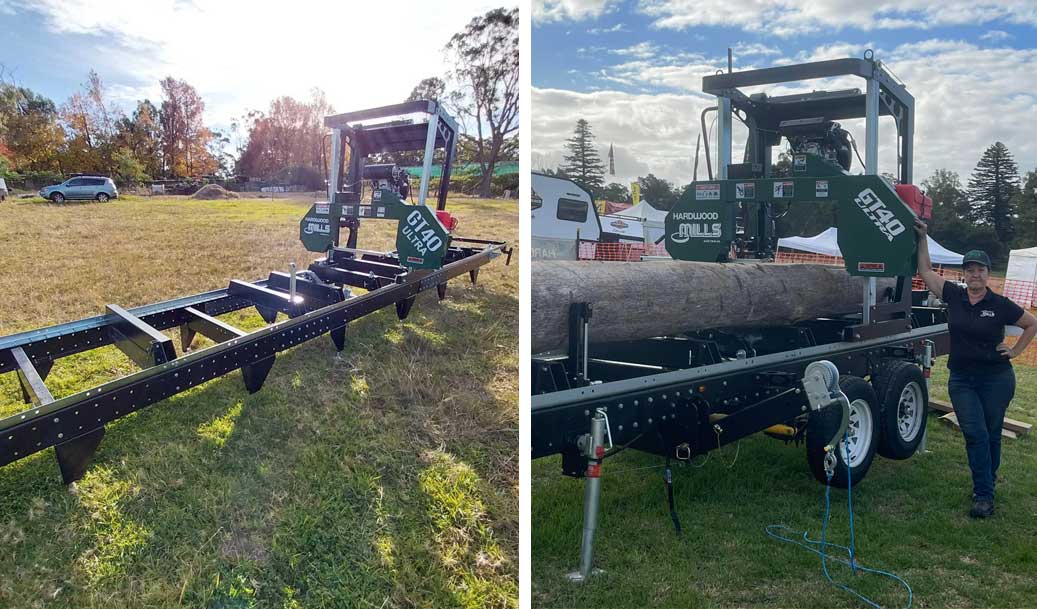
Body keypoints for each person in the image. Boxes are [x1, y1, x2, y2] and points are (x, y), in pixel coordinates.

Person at [915, 219, 1037, 518]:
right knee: (975, 433)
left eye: (980, 270)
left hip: (996, 379)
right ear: (964, 273)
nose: (975, 274)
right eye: (970, 269)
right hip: (962, 379)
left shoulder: (1000, 303)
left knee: (992, 433)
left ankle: (986, 483)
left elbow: (1031, 324)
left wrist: (1015, 351)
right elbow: (927, 272)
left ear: (987, 273)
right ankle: (984, 494)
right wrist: (923, 238)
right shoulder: (954, 295)